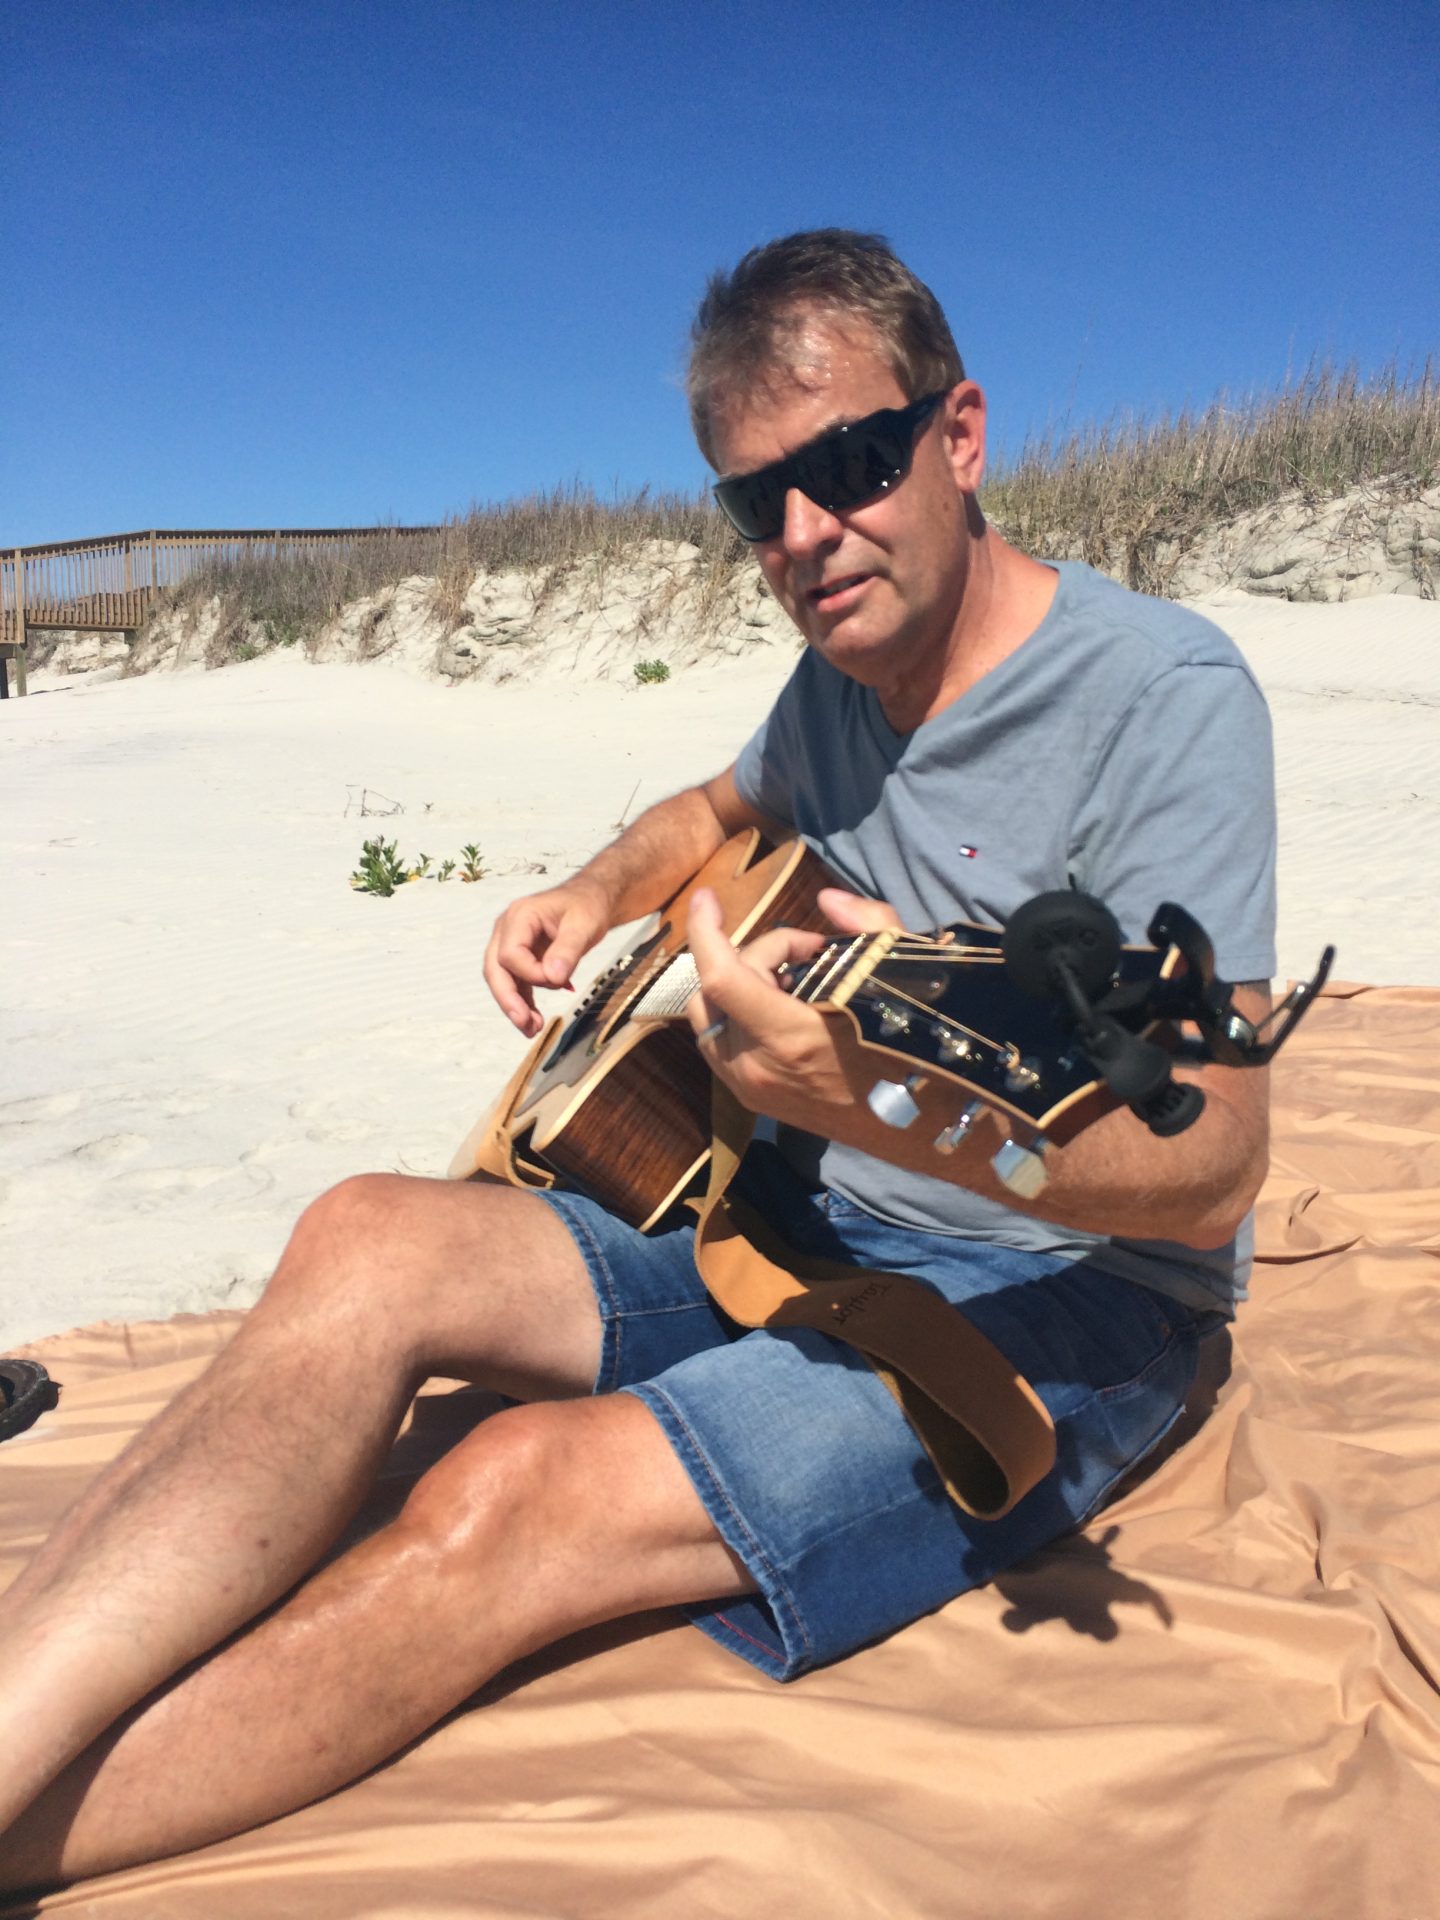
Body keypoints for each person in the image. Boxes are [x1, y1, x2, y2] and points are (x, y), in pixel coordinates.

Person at [0, 229, 1276, 1890]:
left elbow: (1212, 1165)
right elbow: (715, 809)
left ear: (958, 438)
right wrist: (594, 895)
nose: (812, 534)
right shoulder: (845, 675)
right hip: (803, 1206)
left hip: (1071, 1296)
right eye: (762, 502)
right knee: (361, 1236)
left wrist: (873, 1098)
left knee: (514, 1489)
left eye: (854, 463)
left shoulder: (1160, 698)